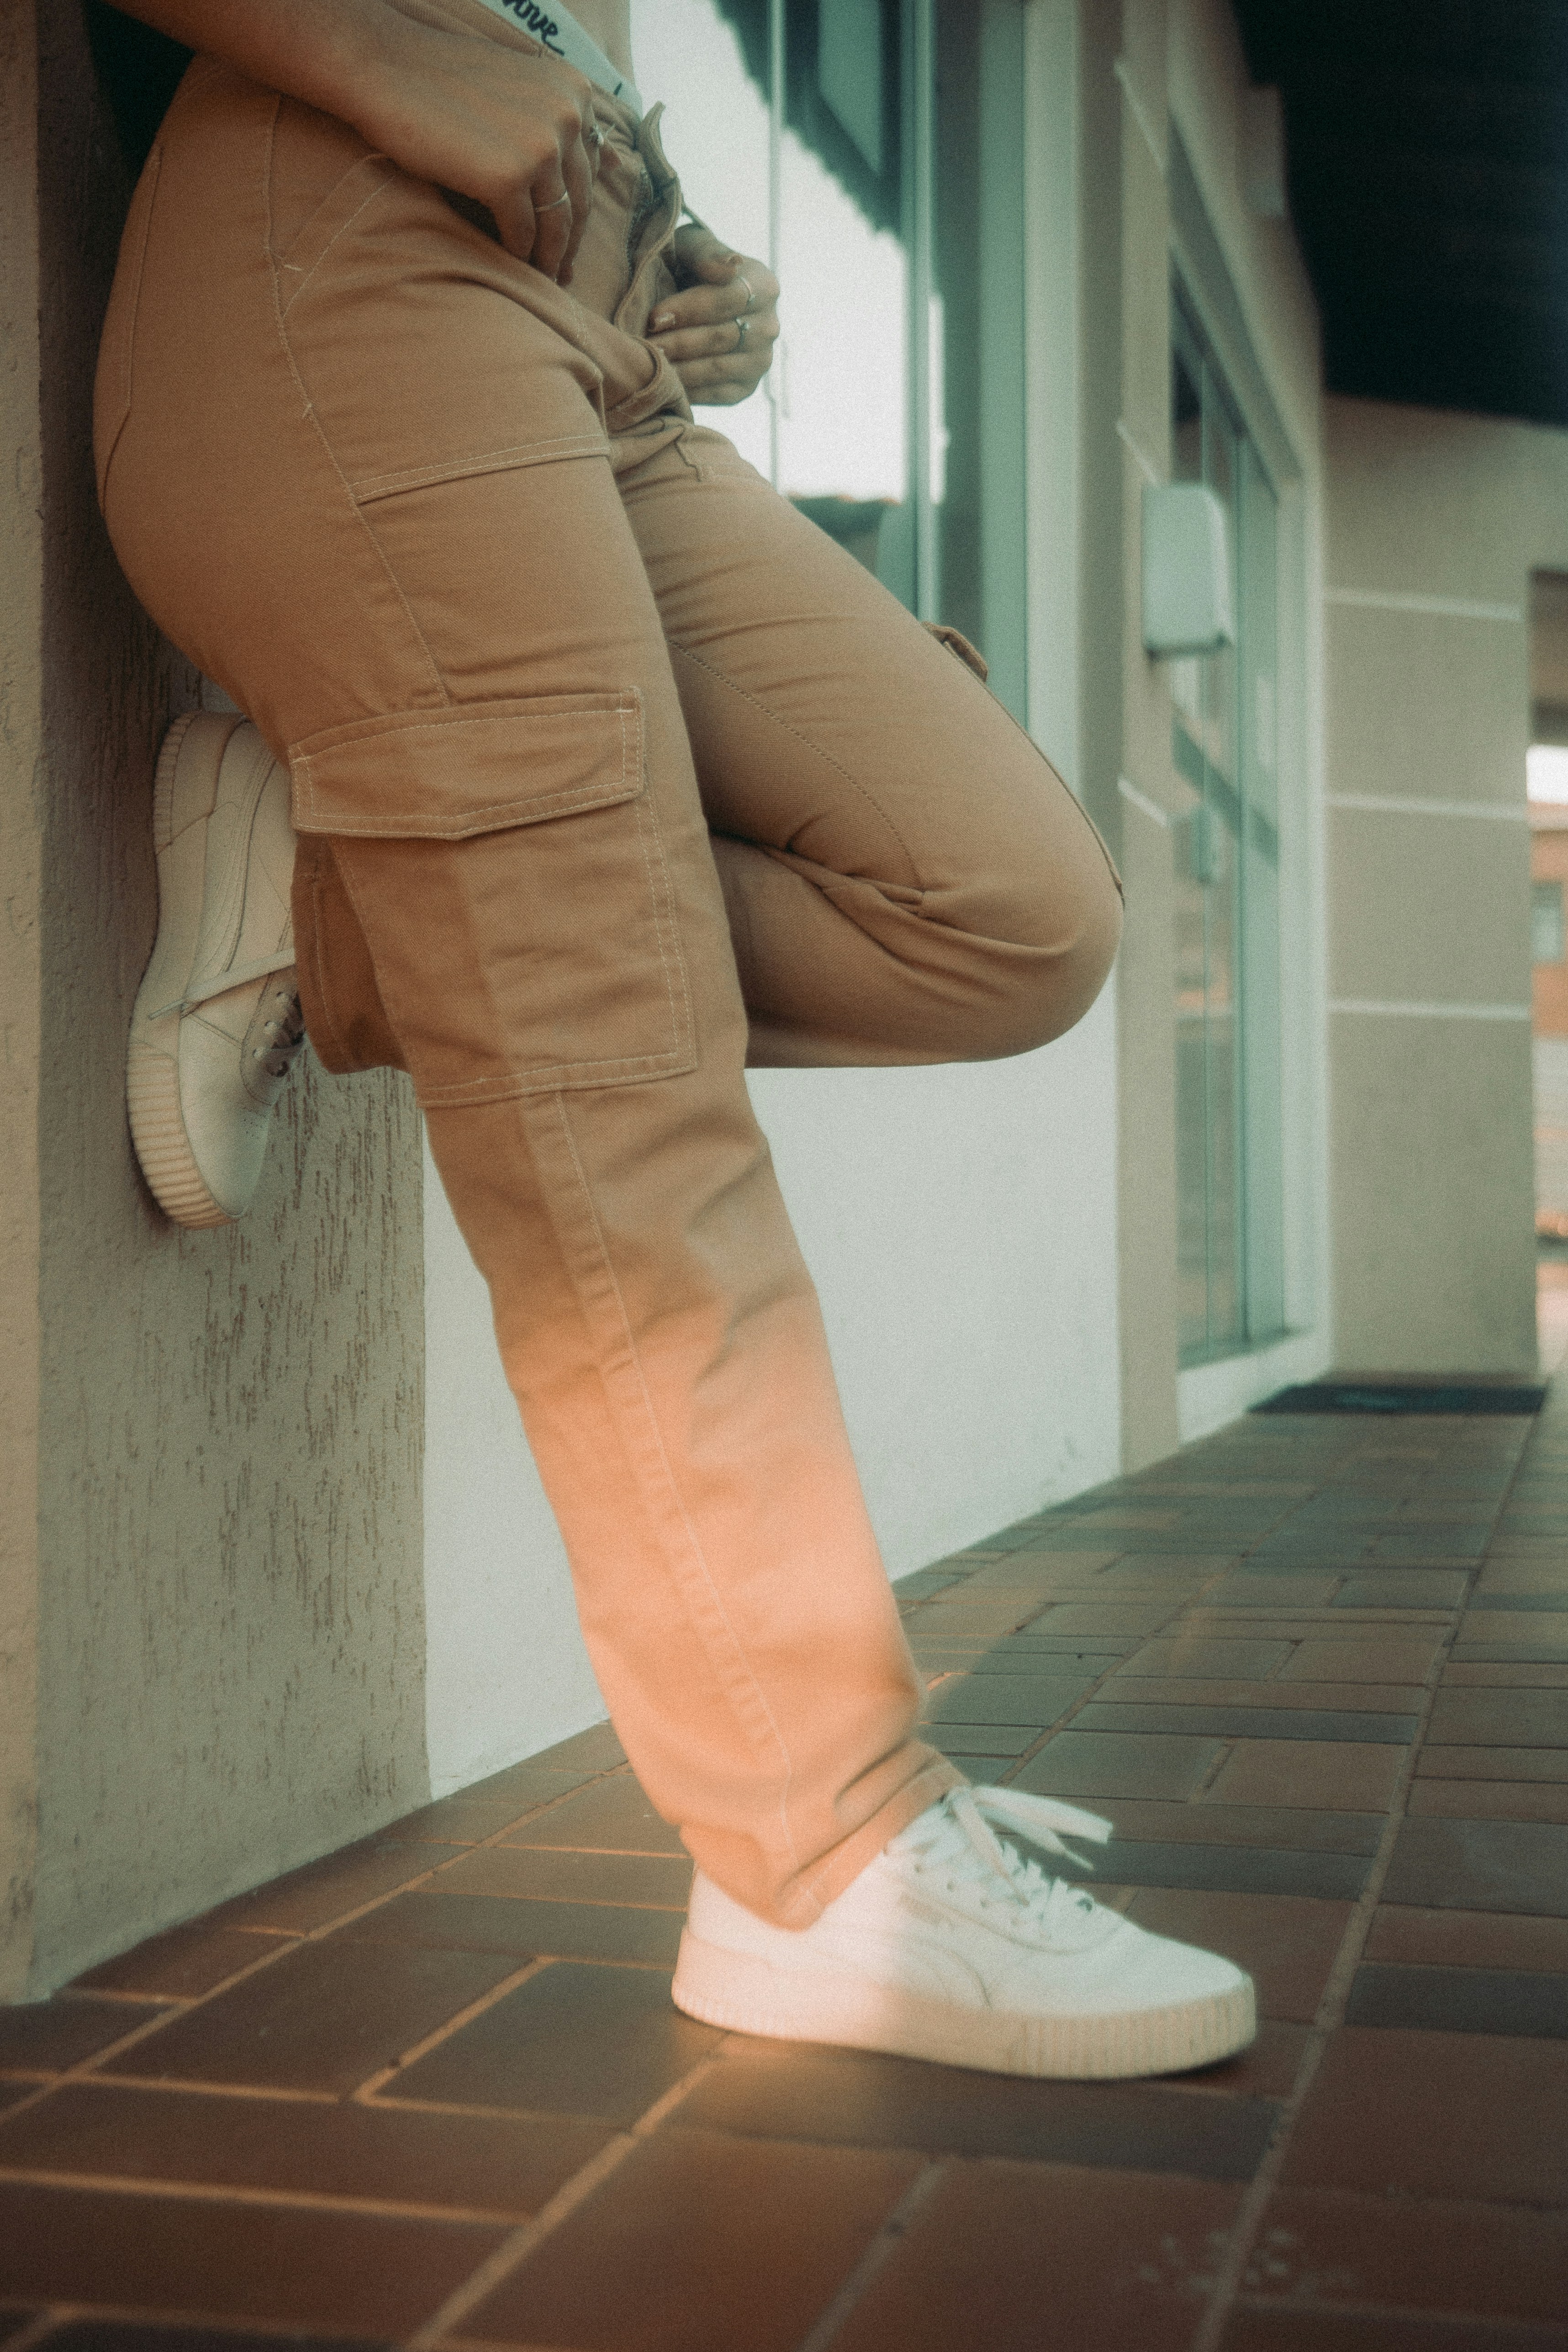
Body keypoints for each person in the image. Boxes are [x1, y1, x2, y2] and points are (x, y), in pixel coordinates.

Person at [95, 0, 1254, 2080]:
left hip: (594, 352)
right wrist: (386, 52)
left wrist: (675, 237)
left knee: (1014, 907)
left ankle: (337, 908)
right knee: (609, 1036)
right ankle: (817, 1850)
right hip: (333, 258)